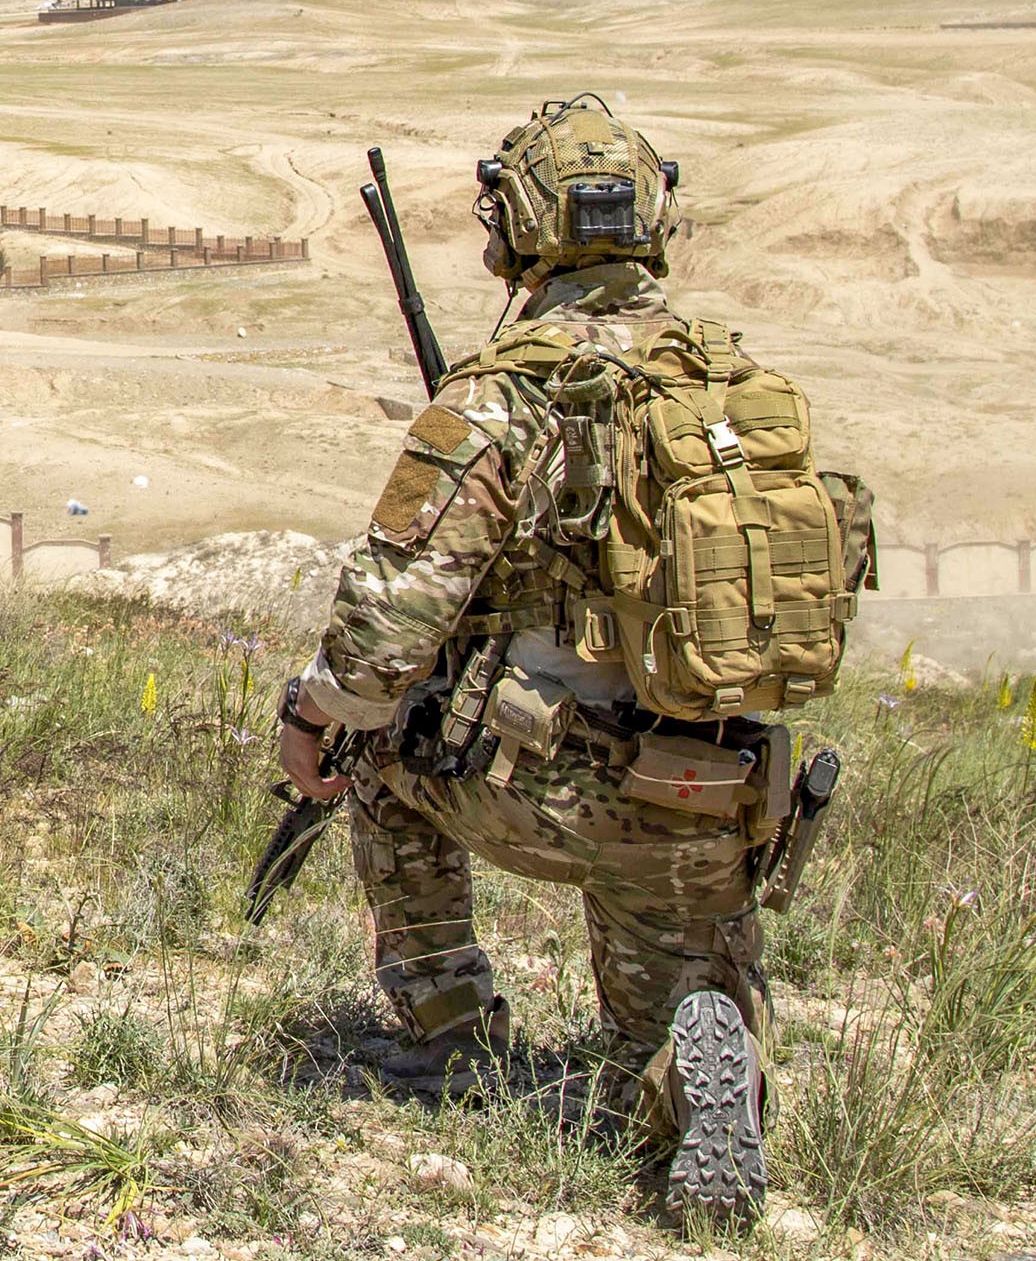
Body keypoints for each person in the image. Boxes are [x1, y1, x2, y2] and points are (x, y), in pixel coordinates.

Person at [277, 95, 864, 1225]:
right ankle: (700, 1064)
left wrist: (314, 715)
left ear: (519, 227)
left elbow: (384, 629)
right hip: (718, 796)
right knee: (670, 999)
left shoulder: (507, 390)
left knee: (377, 753)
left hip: (555, 793)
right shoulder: (738, 387)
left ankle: (448, 1030)